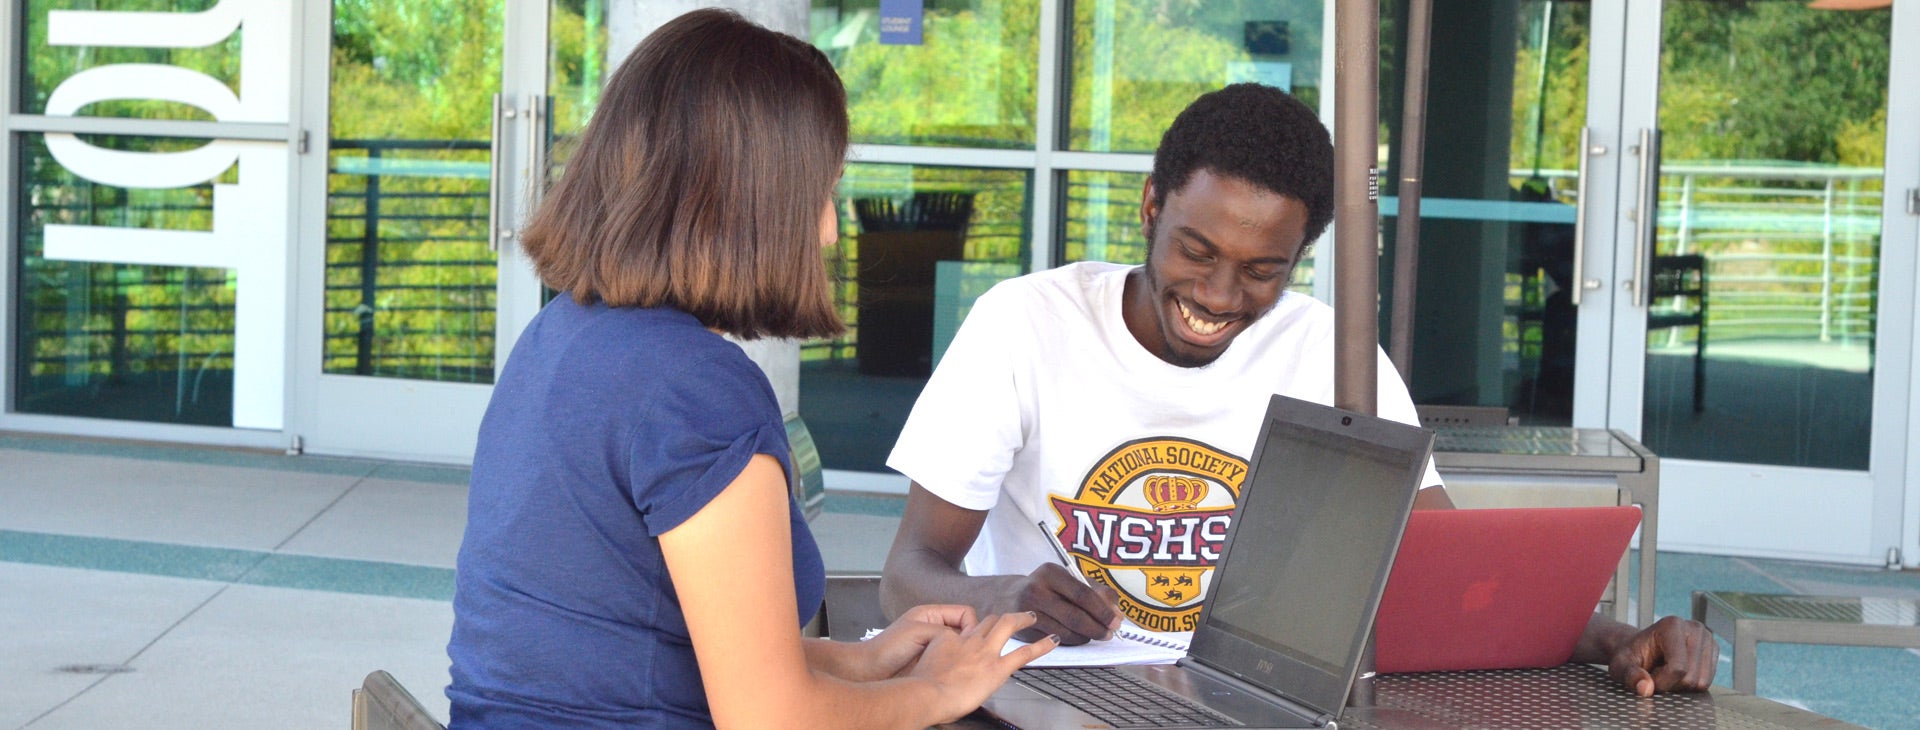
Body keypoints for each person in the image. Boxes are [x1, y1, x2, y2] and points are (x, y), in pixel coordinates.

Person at [879, 83, 1717, 697]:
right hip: (1041, 690)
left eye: (1260, 271)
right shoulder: (1024, 326)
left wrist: (1618, 636)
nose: (1216, 296)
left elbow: (1447, 577)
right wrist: (1002, 594)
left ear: (1298, 259)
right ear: (1149, 205)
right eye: (1195, 251)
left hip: (1245, 700)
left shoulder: (1328, 350)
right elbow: (908, 571)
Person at [444, 10, 1051, 728]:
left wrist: (863, 661)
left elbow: (634, 646)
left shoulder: (561, 336)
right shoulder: (697, 391)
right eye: (821, 190)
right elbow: (771, 718)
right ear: (748, 202)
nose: (828, 228)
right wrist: (943, 692)